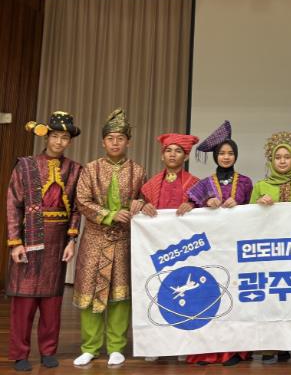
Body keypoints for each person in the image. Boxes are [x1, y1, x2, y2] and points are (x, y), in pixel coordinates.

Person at [6, 112, 83, 372]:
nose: (59, 142)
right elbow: (13, 204)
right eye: (55, 136)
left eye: (64, 138)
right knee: (24, 300)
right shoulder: (25, 166)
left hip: (58, 239)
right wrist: (15, 242)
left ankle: (49, 350)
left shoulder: (75, 169)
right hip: (28, 237)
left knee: (52, 300)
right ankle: (20, 353)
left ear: (69, 141)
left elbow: (76, 209)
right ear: (46, 137)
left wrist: (72, 240)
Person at [72, 109, 146, 367]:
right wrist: (110, 214)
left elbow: (145, 199)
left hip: (124, 241)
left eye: (120, 138)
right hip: (95, 239)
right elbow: (82, 201)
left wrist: (140, 203)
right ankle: (90, 347)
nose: (115, 143)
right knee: (90, 292)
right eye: (110, 138)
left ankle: (116, 347)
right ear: (103, 142)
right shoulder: (90, 169)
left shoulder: (138, 171)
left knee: (120, 294)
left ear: (128, 142)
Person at [185, 121, 252, 366]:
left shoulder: (245, 182)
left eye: (230, 153)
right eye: (222, 153)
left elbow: (253, 213)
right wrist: (204, 204)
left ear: (236, 156)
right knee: (210, 295)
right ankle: (207, 351)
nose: (226, 157)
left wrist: (240, 207)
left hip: (236, 249)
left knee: (234, 296)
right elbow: (190, 206)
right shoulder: (203, 185)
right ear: (215, 156)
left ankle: (233, 351)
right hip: (210, 250)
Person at [137, 132, 200, 363]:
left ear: (186, 156)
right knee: (157, 293)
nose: (173, 154)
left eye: (178, 151)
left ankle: (184, 343)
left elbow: (206, 211)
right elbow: (140, 205)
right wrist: (142, 206)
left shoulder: (196, 185)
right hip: (156, 249)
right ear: (162, 155)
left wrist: (193, 204)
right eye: (168, 150)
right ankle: (155, 343)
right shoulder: (150, 186)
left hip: (186, 249)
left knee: (186, 295)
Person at [250, 131, 291, 364]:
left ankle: (289, 345)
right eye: (278, 157)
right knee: (269, 298)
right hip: (268, 253)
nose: (282, 161)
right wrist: (257, 204)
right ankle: (269, 346)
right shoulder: (260, 186)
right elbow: (246, 219)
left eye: (287, 157)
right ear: (271, 160)